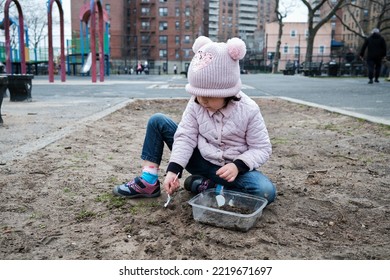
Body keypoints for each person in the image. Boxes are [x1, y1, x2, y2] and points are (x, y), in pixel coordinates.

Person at [112, 36, 276, 204]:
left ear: (227, 92)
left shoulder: (249, 109)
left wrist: (238, 166)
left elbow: (261, 148)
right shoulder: (196, 103)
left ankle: (207, 186)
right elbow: (185, 136)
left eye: (208, 96)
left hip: (232, 171)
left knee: (265, 192)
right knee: (157, 121)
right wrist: (173, 170)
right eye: (197, 94)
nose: (202, 100)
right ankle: (148, 181)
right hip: (200, 161)